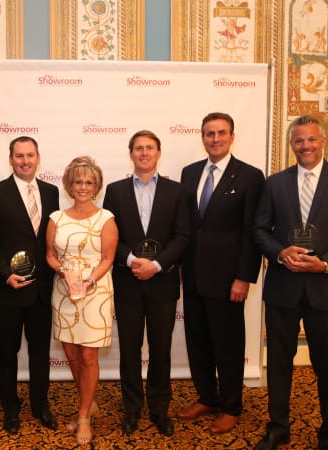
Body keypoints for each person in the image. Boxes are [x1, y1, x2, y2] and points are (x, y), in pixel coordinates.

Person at [253, 115, 328, 450]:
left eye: (310, 139)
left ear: (323, 141)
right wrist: (280, 253)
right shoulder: (275, 183)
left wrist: (326, 262)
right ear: (291, 144)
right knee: (279, 364)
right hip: (283, 289)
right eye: (298, 140)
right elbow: (259, 230)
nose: (305, 146)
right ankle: (278, 428)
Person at [177, 112, 265, 433]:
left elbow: (252, 232)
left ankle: (231, 407)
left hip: (229, 280)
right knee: (198, 342)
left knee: (228, 346)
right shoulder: (189, 173)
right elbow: (188, 226)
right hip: (193, 276)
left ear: (232, 136)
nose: (215, 139)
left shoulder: (250, 176)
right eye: (209, 134)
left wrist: (244, 277)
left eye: (221, 133)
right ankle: (207, 398)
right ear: (202, 137)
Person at [103, 130, 190, 437]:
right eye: (138, 148)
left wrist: (156, 265)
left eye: (149, 147)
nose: (144, 153)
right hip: (127, 281)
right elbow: (109, 236)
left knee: (161, 349)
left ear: (158, 152)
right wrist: (131, 261)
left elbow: (183, 235)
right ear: (131, 154)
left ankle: (159, 408)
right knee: (129, 349)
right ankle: (132, 408)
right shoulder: (115, 191)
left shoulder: (177, 191)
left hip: (162, 282)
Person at [0, 136, 59, 434]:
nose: (25, 161)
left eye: (30, 155)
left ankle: (40, 405)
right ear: (11, 159)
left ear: (38, 158)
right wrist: (5, 274)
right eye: (19, 156)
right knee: (7, 352)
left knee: (40, 352)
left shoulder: (51, 192)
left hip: (41, 290)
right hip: (8, 289)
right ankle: (10, 408)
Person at [45, 156, 118, 445]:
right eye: (78, 181)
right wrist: (62, 271)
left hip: (95, 292)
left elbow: (108, 258)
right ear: (69, 185)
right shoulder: (56, 218)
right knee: (72, 355)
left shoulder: (106, 218)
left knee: (88, 357)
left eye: (89, 182)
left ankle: (84, 415)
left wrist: (88, 282)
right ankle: (90, 403)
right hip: (64, 292)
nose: (83, 187)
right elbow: (50, 255)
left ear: (97, 187)